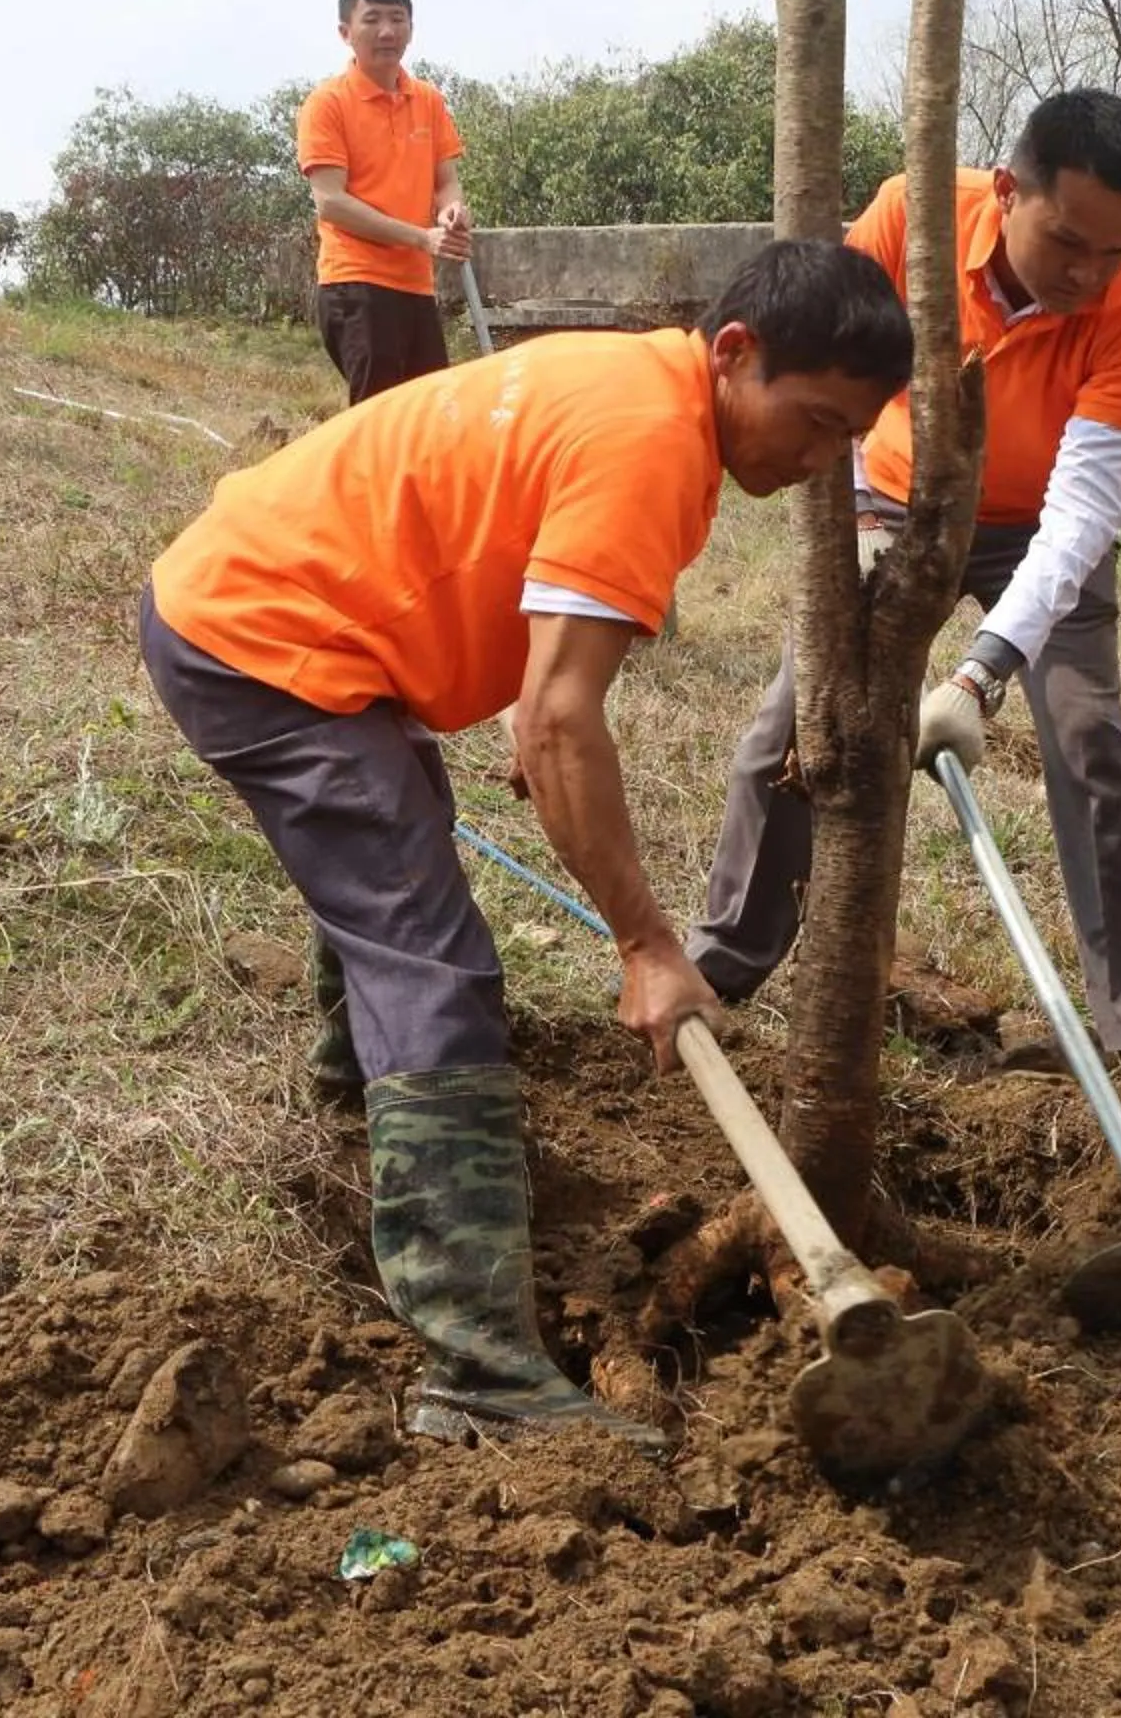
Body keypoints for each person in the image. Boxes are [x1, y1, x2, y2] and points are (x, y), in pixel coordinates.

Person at [140, 239, 911, 1444]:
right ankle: (481, 1372)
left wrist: (542, 721)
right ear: (735, 352)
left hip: (283, 605)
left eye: (843, 440)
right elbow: (558, 722)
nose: (817, 461)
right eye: (811, 422)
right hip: (264, 637)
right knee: (437, 965)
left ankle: (360, 1091)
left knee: (403, 840)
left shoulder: (644, 390)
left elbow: (537, 660)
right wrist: (649, 942)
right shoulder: (652, 440)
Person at [688, 89, 1121, 1114]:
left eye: (1115, 251)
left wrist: (982, 672)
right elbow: (826, 354)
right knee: (796, 722)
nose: (1087, 274)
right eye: (1068, 241)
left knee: (1089, 737)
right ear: (1010, 187)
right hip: (894, 496)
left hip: (1036, 526)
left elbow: (1078, 522)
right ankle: (724, 960)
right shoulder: (913, 217)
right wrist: (849, 525)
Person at [297, 0, 467, 404]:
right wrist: (419, 237)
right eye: (372, 19)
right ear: (345, 32)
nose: (387, 31)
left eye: (398, 18)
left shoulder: (427, 100)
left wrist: (452, 212)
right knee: (380, 420)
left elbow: (445, 181)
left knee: (428, 418)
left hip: (416, 286)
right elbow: (331, 203)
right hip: (356, 285)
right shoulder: (328, 104)